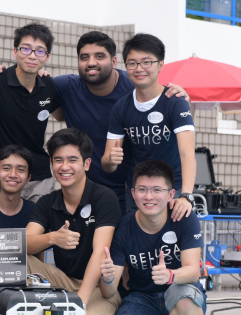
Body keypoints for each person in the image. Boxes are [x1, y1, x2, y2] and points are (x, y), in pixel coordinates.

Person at [54, 31, 189, 214]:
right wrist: (0, 71)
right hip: (87, 189)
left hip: (135, 189)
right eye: (84, 57)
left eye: (100, 56)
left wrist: (186, 194)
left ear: (114, 62)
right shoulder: (66, 87)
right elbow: (33, 84)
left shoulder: (134, 85)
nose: (91, 62)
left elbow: (184, 147)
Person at [100, 160, 205, 315]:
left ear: (170, 194)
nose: (149, 197)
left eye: (157, 190)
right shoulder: (124, 228)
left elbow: (193, 272)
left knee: (184, 296)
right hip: (142, 298)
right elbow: (109, 292)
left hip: (176, 292)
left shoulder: (183, 218)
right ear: (133, 193)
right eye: (142, 190)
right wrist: (108, 277)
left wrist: (170, 275)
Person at [26, 128, 121, 315]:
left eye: (72, 160)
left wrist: (79, 304)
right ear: (51, 164)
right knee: (18, 259)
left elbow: (101, 252)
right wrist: (52, 239)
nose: (64, 166)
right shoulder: (48, 202)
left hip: (101, 287)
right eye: (58, 160)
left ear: (87, 164)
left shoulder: (104, 197)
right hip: (64, 283)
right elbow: (25, 243)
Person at [102, 33, 196, 221]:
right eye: (132, 63)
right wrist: (111, 160)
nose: (139, 69)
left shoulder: (174, 102)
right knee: (138, 247)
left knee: (172, 247)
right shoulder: (121, 107)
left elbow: (188, 154)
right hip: (138, 193)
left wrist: (186, 195)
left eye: (147, 62)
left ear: (160, 64)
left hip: (173, 193)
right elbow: (107, 164)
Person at [0, 24, 61, 202]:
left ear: (47, 57)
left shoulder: (49, 86)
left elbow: (61, 115)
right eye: (26, 49)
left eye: (40, 51)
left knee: (39, 228)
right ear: (15, 51)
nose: (32, 56)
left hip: (39, 176)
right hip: (2, 174)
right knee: (0, 228)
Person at [0, 145, 35, 283]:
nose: (13, 175)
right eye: (6, 168)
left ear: (28, 178)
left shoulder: (35, 211)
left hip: (21, 287)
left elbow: (36, 257)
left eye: (20, 170)